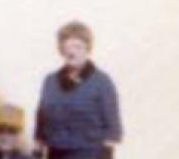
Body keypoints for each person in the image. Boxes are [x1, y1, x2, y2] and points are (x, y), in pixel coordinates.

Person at [33, 21, 122, 159]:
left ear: (88, 49)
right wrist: (38, 149)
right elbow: (41, 121)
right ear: (61, 49)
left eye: (78, 46)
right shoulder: (50, 81)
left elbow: (112, 129)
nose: (72, 52)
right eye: (67, 46)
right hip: (56, 152)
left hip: (90, 153)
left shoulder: (102, 82)